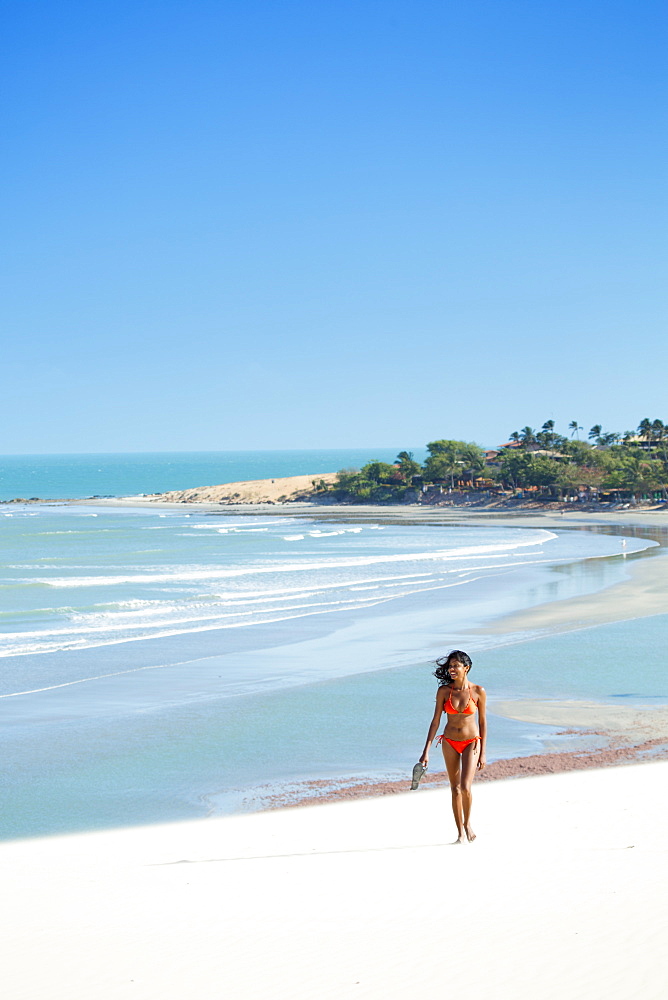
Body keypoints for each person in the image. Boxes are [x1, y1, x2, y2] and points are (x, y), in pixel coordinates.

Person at [418, 650, 487, 843]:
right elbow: (435, 721)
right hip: (449, 741)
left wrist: (482, 752)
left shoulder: (478, 691)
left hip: (471, 742)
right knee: (454, 788)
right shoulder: (444, 692)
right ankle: (459, 832)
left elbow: (483, 722)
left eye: (455, 665)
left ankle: (468, 824)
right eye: (450, 666)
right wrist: (426, 751)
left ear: (467, 668)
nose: (451, 669)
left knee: (465, 786)